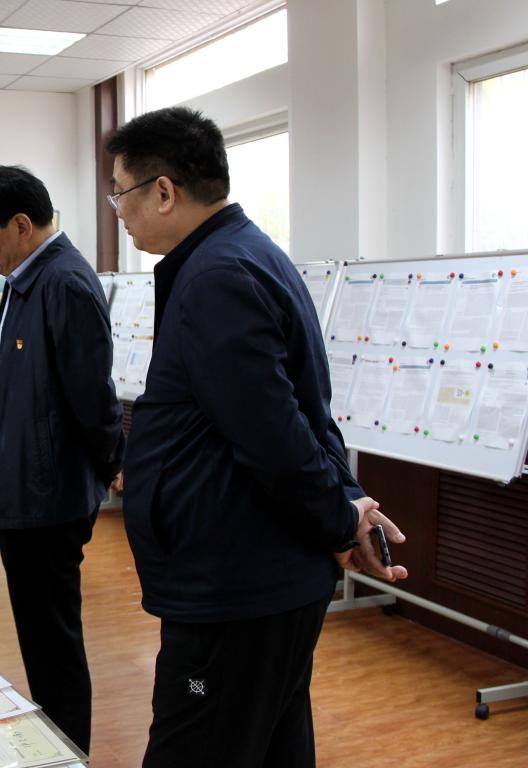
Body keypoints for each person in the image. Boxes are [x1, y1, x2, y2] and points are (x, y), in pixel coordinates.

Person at [107, 106, 409, 767]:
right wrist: (344, 506)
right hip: (255, 573)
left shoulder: (216, 276)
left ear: (164, 191)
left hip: (235, 585)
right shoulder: (241, 255)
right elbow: (299, 412)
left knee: (196, 748)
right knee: (271, 744)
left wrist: (339, 518)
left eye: (120, 193)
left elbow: (274, 434)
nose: (118, 212)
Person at [0, 165, 124, 754]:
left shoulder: (64, 282)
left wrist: (106, 467)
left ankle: (69, 752)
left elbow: (92, 397)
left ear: (21, 225)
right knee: (38, 637)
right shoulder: (26, 277)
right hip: (22, 486)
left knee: (52, 643)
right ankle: (57, 747)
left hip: (47, 497)